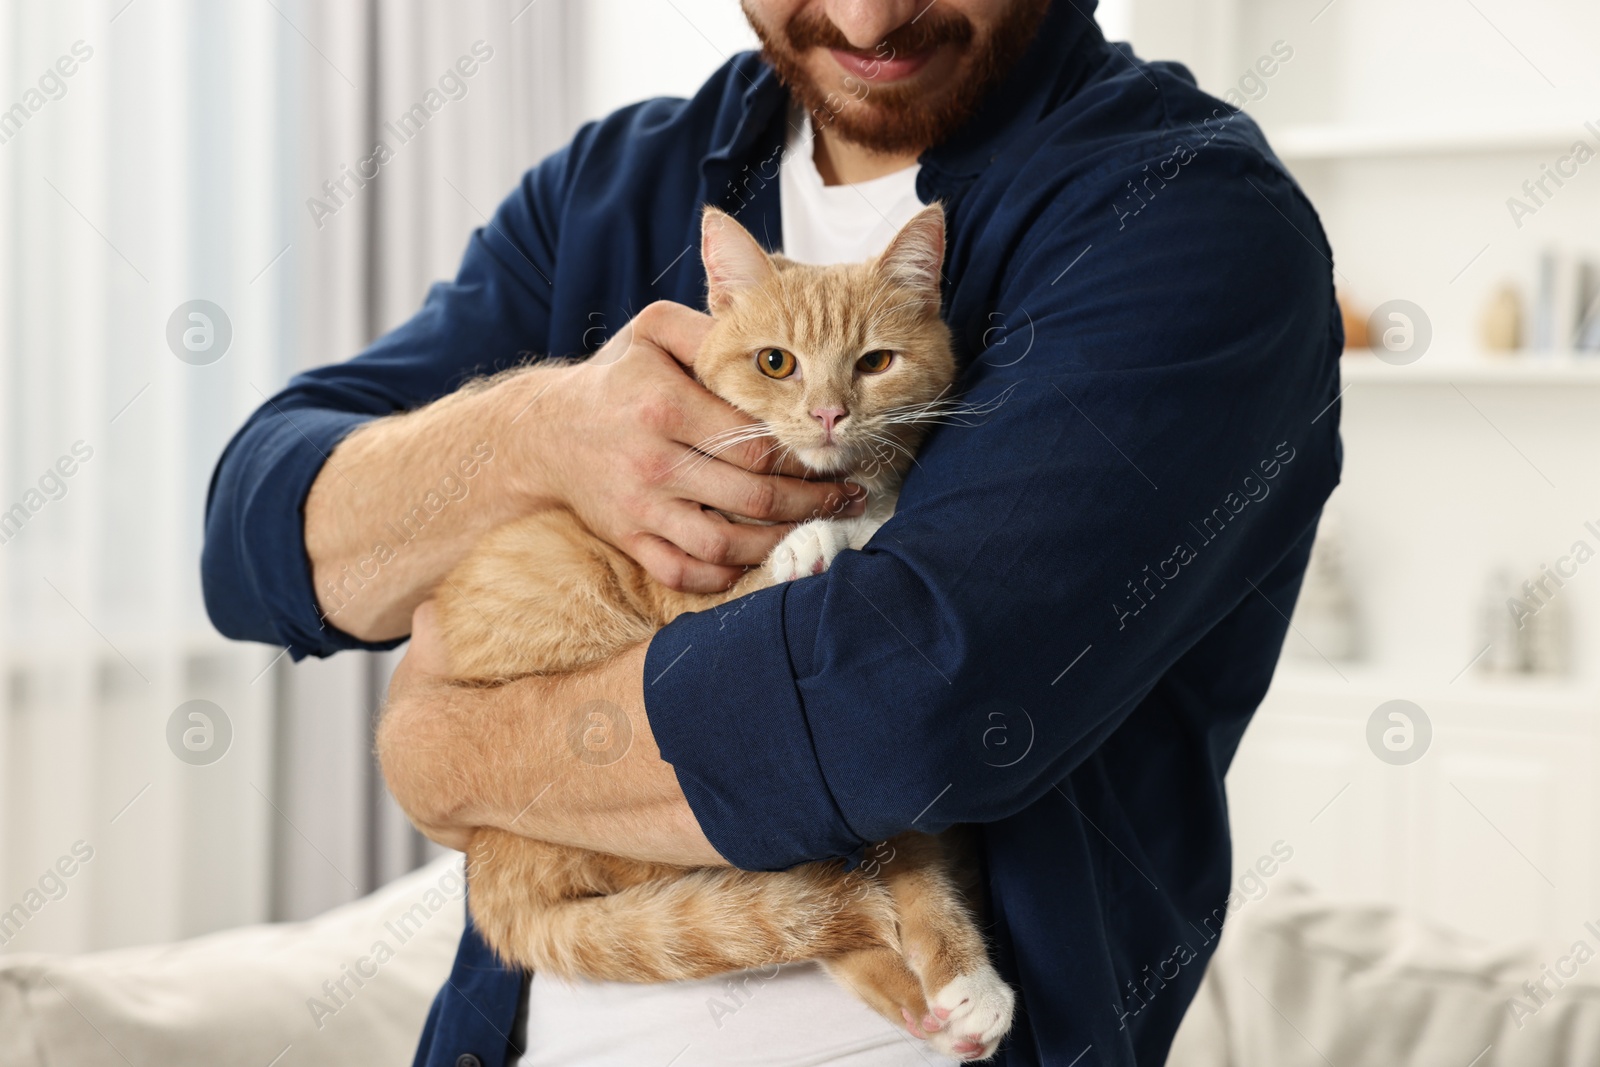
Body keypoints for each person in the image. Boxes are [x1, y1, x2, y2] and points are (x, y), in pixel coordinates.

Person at [201, 0, 1342, 1063]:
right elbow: (255, 538)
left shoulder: (1189, 213)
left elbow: (905, 710)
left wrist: (450, 752)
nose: (867, 19)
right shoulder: (612, 184)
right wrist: (526, 433)